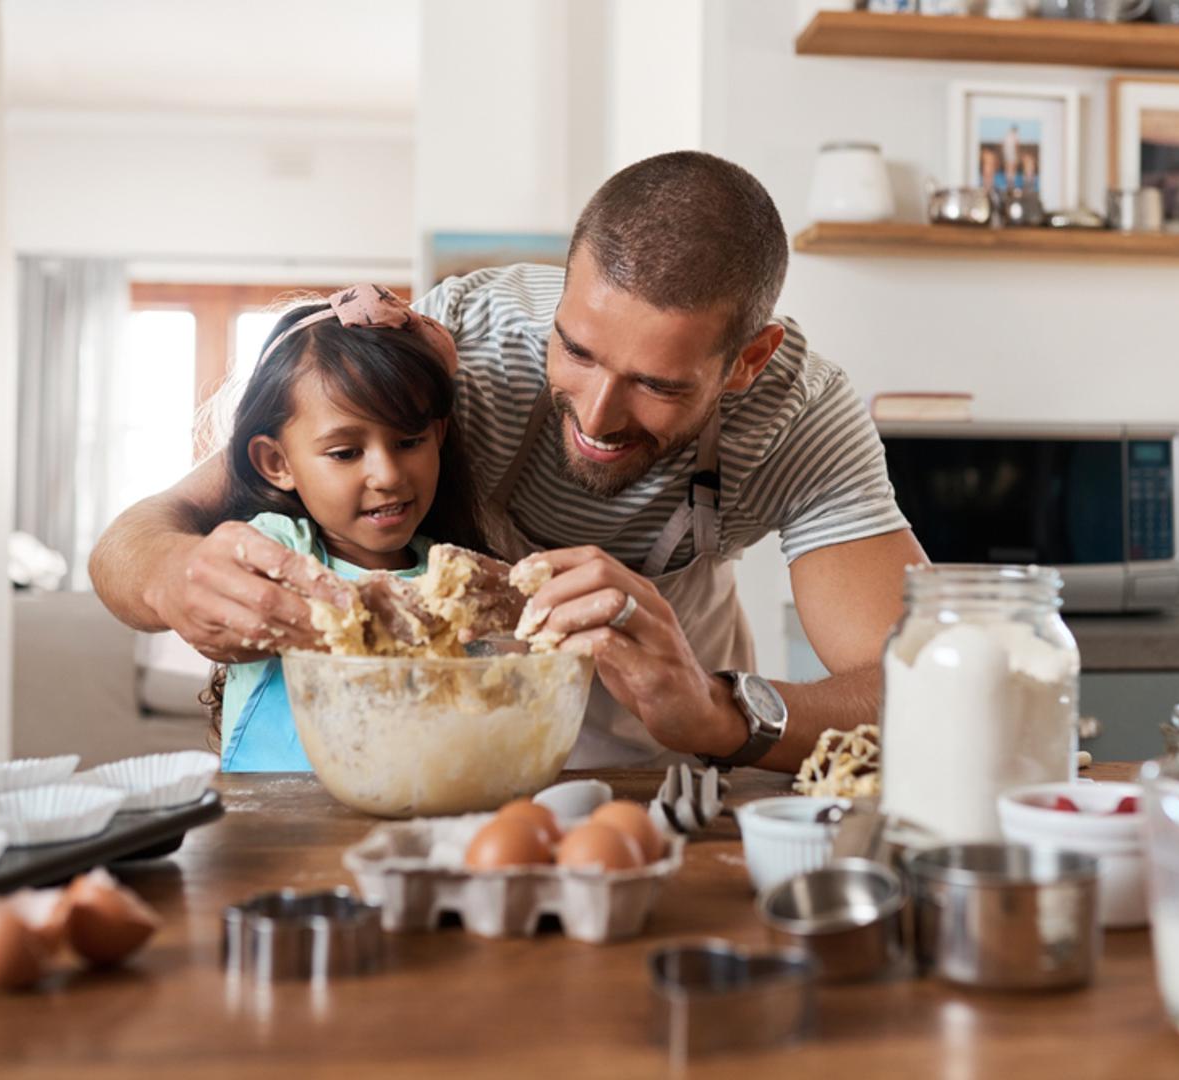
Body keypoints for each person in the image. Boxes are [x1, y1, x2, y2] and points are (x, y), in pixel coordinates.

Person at [90, 150, 926, 773]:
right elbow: (135, 540)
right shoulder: (468, 342)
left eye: (656, 385)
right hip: (475, 739)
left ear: (747, 361)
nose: (597, 416)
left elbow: (915, 685)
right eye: (578, 350)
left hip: (674, 733)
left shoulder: (802, 418)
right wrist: (173, 575)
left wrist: (717, 711)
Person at [202, 285, 488, 771]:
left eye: (409, 441)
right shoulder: (278, 553)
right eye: (345, 453)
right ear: (277, 461)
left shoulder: (455, 575)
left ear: (438, 437)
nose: (388, 475)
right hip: (270, 826)